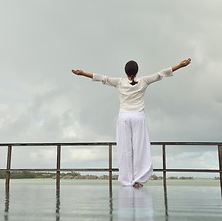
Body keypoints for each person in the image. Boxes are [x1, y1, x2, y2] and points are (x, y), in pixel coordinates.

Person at [71, 58, 191, 188]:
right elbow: (161, 73)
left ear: (125, 71)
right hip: (138, 116)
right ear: (137, 71)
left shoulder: (120, 82)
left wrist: (82, 73)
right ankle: (138, 179)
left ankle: (126, 180)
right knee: (140, 148)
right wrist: (180, 65)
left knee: (124, 149)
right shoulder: (143, 81)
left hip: (124, 117)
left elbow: (101, 77)